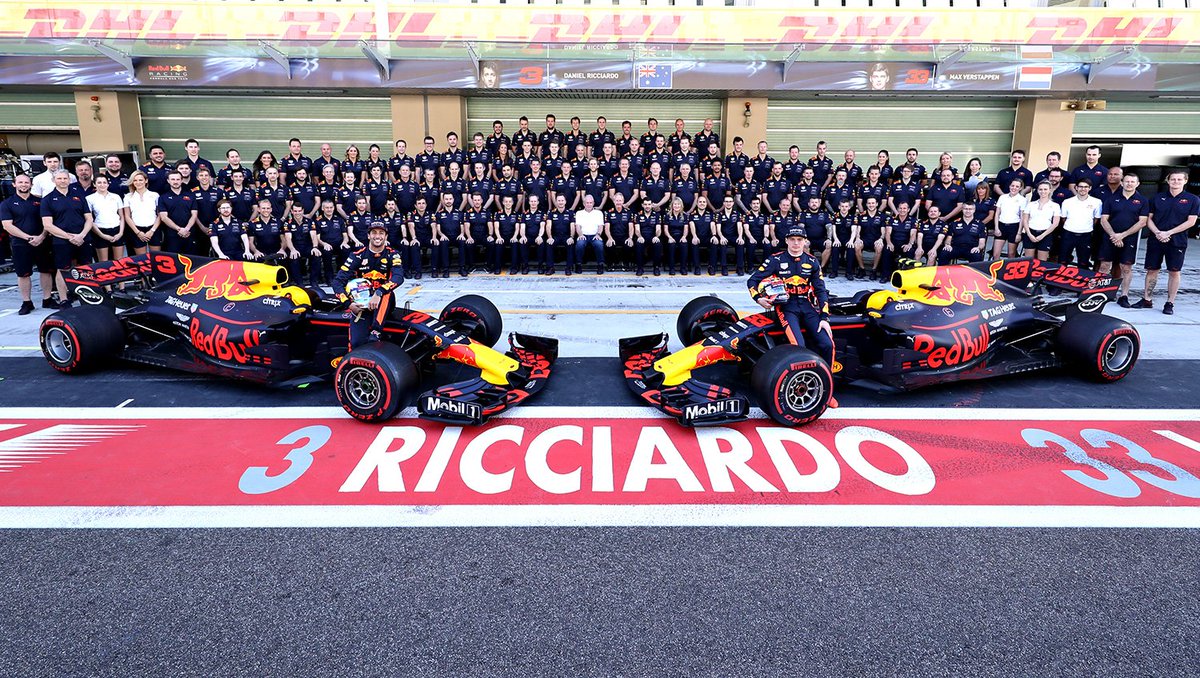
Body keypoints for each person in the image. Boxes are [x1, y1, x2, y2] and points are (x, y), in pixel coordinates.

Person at [747, 225, 837, 408]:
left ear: (805, 242)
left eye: (800, 240)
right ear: (786, 241)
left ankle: (827, 391)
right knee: (799, 347)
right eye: (792, 239)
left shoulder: (812, 262)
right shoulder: (775, 260)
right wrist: (759, 299)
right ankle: (795, 385)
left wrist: (824, 318)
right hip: (785, 307)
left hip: (807, 305)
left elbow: (821, 291)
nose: (796, 243)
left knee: (827, 344)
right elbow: (752, 280)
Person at [332, 221, 405, 350]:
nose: (378, 236)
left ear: (386, 236)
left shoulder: (393, 254)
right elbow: (337, 282)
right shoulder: (357, 256)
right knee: (356, 343)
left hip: (384, 301)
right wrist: (348, 304)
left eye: (381, 233)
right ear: (368, 236)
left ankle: (376, 331)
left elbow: (398, 277)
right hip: (362, 304)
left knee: (386, 292)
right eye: (374, 233)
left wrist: (379, 292)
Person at [1136, 169, 1199, 315]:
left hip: (1177, 241)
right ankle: (1147, 299)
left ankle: (1170, 303)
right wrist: (1158, 233)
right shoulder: (1157, 198)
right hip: (1156, 239)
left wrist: (1168, 233)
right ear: (1168, 181)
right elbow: (1148, 219)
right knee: (1152, 270)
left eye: (1179, 179)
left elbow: (1191, 222)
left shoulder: (1193, 199)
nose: (1175, 182)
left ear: (1185, 181)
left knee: (1174, 271)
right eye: (1173, 179)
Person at [1, 174, 57, 314]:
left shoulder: (40, 201)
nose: (23, 185)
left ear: (31, 184)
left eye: (26, 182)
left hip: (42, 242)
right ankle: (27, 302)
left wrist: (42, 236)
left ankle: (47, 299)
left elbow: (47, 222)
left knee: (46, 271)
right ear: (14, 184)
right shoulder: (6, 204)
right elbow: (7, 226)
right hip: (20, 244)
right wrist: (28, 238)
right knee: (23, 274)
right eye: (20, 182)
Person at [40, 169, 94, 306]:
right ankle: (64, 299)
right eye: (59, 179)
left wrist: (81, 235)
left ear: (69, 180)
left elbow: (89, 219)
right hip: (61, 241)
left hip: (82, 238)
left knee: (85, 268)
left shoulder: (79, 196)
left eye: (65, 178)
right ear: (54, 181)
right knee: (63, 269)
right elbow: (47, 225)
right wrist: (69, 237)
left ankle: (86, 297)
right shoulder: (47, 200)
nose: (63, 181)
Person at [1098, 173, 1148, 307]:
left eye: (1132, 182)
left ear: (1137, 184)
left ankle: (1123, 295)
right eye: (1126, 181)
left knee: (1126, 268)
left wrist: (1122, 235)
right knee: (1104, 266)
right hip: (1110, 237)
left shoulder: (1142, 201)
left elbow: (1142, 222)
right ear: (1122, 182)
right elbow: (1104, 219)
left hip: (1130, 239)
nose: (1129, 184)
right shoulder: (1111, 199)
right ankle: (1099, 293)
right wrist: (1114, 235)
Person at [1058, 178, 1101, 267]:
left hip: (1086, 235)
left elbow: (1096, 219)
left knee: (1083, 262)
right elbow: (1063, 218)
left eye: (1086, 187)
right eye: (1080, 186)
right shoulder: (1067, 202)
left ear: (1090, 188)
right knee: (1062, 261)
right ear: (1076, 188)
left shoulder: (1097, 202)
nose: (1083, 189)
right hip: (1068, 234)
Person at [86, 174, 125, 263]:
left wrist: (120, 233)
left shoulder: (116, 197)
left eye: (104, 182)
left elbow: (122, 216)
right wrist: (102, 235)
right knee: (104, 263)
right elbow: (90, 219)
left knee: (119, 261)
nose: (102, 185)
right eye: (99, 182)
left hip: (116, 229)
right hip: (100, 231)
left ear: (108, 184)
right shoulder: (89, 199)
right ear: (94, 184)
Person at [1020, 182, 1061, 261]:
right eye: (1040, 189)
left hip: (1045, 234)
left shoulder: (1055, 205)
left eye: (1045, 189)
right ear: (1037, 191)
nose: (1043, 191)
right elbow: (1025, 220)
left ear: (1050, 190)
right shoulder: (1031, 204)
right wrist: (1029, 234)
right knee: (1028, 261)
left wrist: (1042, 235)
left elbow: (1055, 223)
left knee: (1041, 262)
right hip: (1030, 233)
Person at [122, 170, 161, 254]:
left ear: (146, 180)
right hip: (136, 229)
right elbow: (127, 216)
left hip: (153, 229)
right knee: (141, 260)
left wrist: (152, 230)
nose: (138, 182)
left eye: (140, 180)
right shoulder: (128, 197)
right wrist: (138, 232)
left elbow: (159, 215)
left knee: (156, 258)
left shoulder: (155, 195)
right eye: (135, 180)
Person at [993, 178, 1027, 259]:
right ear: (1009, 186)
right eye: (1012, 185)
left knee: (1011, 254)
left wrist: (1019, 233)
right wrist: (996, 228)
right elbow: (997, 213)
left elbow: (1022, 217)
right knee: (995, 254)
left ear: (1020, 188)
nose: (1014, 188)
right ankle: (996, 271)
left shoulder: (1023, 200)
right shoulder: (1002, 197)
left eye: (1017, 186)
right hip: (1001, 225)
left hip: (1014, 227)